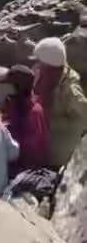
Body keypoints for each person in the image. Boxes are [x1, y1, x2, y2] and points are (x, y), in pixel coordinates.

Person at [32, 37, 87, 169]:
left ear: (48, 64)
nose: (37, 64)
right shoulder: (43, 73)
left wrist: (57, 123)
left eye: (40, 61)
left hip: (58, 150)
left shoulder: (69, 88)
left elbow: (84, 116)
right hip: (43, 137)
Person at [0, 65, 49, 171]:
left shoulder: (31, 113)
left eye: (7, 83)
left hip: (23, 168)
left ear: (15, 87)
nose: (3, 85)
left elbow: (28, 150)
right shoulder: (17, 102)